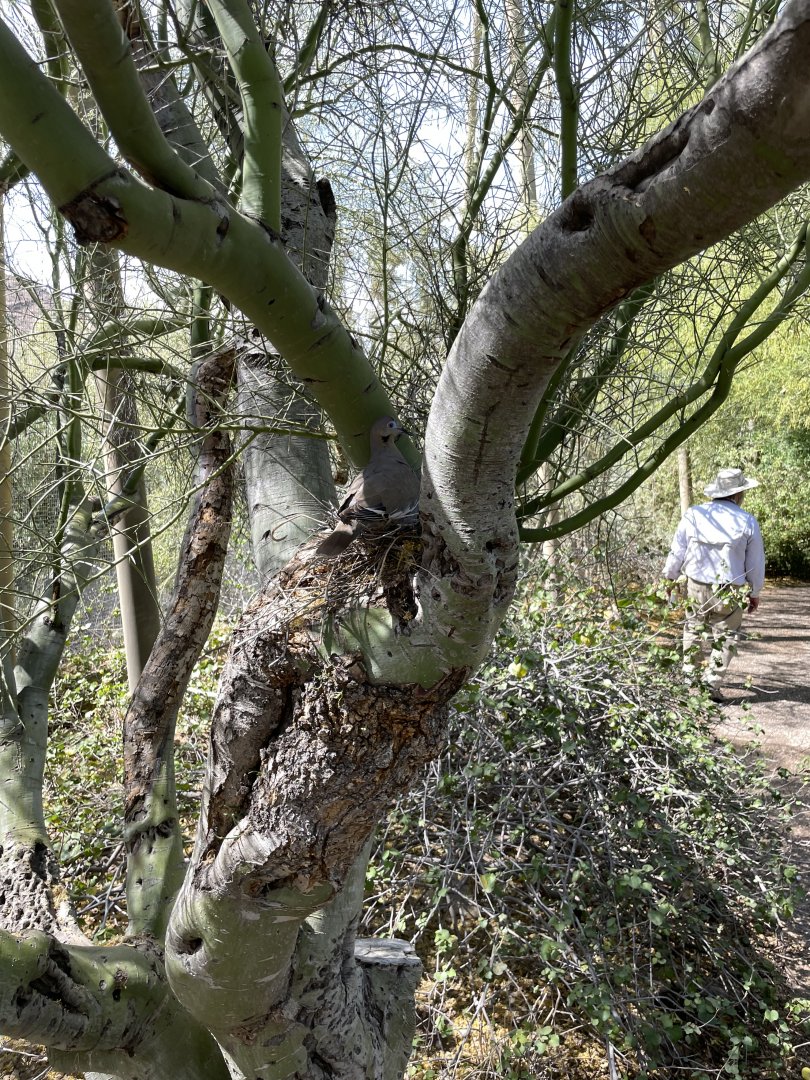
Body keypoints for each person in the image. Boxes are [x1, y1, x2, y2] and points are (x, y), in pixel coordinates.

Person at [662, 467, 765, 698]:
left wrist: (669, 578)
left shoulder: (694, 514)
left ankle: (691, 681)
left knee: (693, 628)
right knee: (726, 635)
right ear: (738, 494)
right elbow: (756, 562)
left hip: (695, 585)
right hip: (729, 589)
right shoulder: (747, 521)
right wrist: (755, 591)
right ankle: (711, 685)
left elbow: (677, 550)